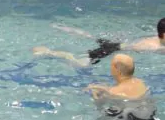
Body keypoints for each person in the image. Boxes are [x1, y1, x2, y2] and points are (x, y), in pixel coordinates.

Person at [33, 19, 165, 67]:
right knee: (81, 65)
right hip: (111, 49)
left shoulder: (158, 38)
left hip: (117, 43)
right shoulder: (152, 46)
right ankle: (49, 52)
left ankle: (69, 29)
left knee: (93, 37)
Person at [88, 54, 157, 120]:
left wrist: (95, 94)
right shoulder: (140, 82)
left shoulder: (113, 92)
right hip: (147, 114)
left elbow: (99, 106)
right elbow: (125, 91)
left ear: (117, 70)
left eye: (111, 66)